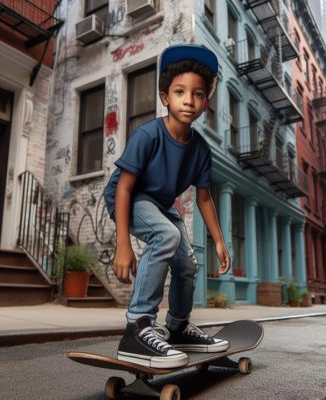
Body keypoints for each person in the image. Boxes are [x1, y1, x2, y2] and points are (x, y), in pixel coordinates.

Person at [103, 44, 230, 368]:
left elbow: (203, 198)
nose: (189, 100)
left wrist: (218, 240)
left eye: (198, 94)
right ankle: (137, 326)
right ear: (165, 97)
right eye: (179, 91)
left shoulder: (200, 149)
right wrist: (122, 244)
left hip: (159, 202)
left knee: (187, 261)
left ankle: (177, 326)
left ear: (205, 101)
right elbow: (125, 188)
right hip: (129, 196)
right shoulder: (148, 135)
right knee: (166, 236)